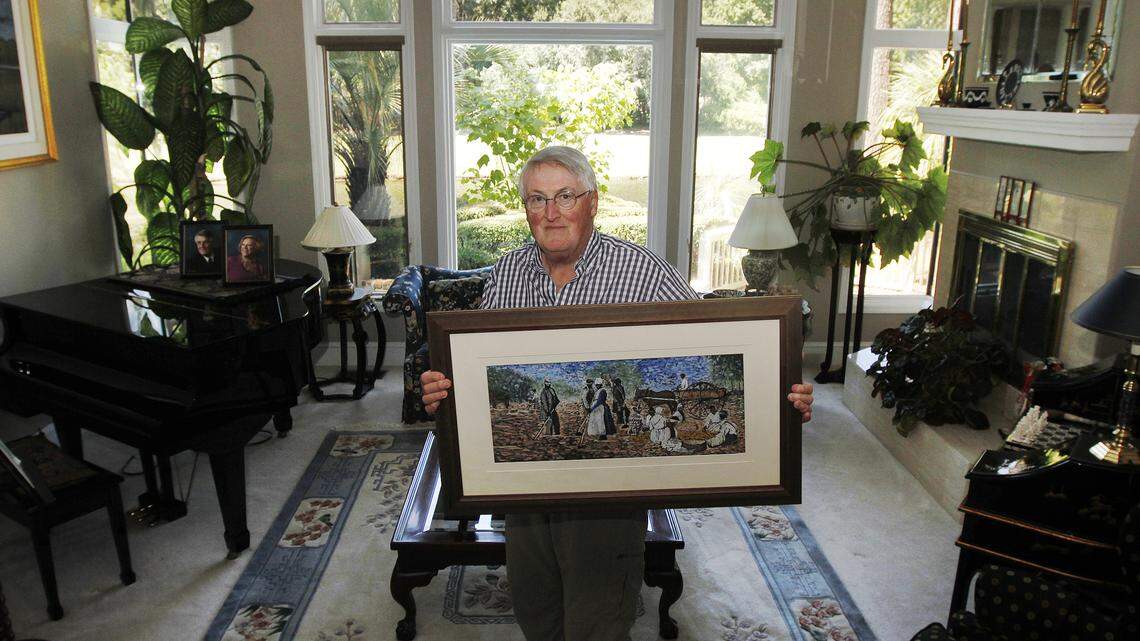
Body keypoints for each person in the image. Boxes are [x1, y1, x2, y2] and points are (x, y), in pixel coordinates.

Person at [420, 146, 814, 641]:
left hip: (606, 499)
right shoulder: (507, 273)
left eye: (565, 196)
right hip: (524, 494)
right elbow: (473, 365)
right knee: (536, 609)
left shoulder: (643, 271)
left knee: (597, 621)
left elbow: (713, 342)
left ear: (592, 202)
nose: (551, 212)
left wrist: (779, 398)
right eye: (537, 199)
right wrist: (444, 389)